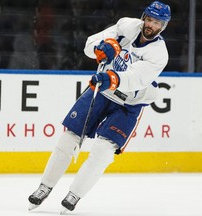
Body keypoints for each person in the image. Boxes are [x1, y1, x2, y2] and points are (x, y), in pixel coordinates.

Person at [28, 1, 171, 213]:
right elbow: (89, 45)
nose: (151, 25)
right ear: (143, 17)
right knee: (68, 139)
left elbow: (136, 78)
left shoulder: (159, 54)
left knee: (103, 152)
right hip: (102, 91)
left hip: (129, 103)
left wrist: (111, 77)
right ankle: (44, 187)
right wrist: (100, 49)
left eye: (157, 23)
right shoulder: (126, 26)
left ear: (163, 26)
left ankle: (74, 194)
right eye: (149, 19)